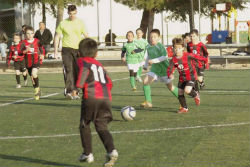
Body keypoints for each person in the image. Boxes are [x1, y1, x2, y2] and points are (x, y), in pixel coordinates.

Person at [76, 38, 118, 167]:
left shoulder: (82, 61)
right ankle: (111, 151)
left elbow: (83, 72)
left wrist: (78, 87)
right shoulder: (100, 65)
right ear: (96, 54)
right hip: (106, 97)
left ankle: (87, 153)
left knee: (84, 123)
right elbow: (109, 83)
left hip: (91, 96)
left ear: (80, 52)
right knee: (101, 126)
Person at [54, 4, 88, 100]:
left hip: (78, 50)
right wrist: (56, 51)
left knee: (78, 71)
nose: (72, 15)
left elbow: (86, 35)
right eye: (70, 14)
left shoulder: (81, 23)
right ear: (68, 13)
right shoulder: (63, 23)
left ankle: (75, 92)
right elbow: (57, 37)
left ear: (76, 12)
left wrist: (90, 49)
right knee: (69, 70)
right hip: (66, 50)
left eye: (73, 13)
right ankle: (69, 92)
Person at [168, 38, 207, 113]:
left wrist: (205, 59)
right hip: (182, 78)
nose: (177, 50)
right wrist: (170, 74)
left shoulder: (187, 55)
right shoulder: (173, 59)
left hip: (191, 77)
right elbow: (170, 68)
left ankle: (195, 95)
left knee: (187, 90)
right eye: (175, 48)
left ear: (182, 48)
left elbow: (197, 57)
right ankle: (184, 108)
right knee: (180, 92)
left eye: (179, 48)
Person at [140, 29, 178, 108]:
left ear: (158, 38)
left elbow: (164, 57)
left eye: (154, 37)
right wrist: (145, 66)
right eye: (151, 37)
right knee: (145, 81)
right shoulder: (148, 47)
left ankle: (182, 102)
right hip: (155, 69)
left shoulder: (161, 46)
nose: (152, 38)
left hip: (164, 70)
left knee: (171, 87)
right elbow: (147, 57)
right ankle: (148, 102)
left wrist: (153, 61)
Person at [20, 26, 45, 100]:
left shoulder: (37, 41)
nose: (29, 35)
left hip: (36, 61)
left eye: (31, 33)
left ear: (33, 34)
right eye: (27, 33)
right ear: (25, 34)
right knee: (32, 78)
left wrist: (42, 54)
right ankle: (37, 89)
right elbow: (21, 53)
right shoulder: (23, 42)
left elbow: (42, 48)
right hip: (28, 63)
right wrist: (25, 50)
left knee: (34, 74)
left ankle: (37, 91)